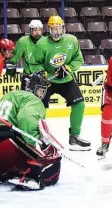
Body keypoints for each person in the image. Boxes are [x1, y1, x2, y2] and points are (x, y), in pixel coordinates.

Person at [30, 15, 91, 151]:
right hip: (47, 82)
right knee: (39, 107)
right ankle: (39, 136)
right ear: (49, 29)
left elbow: (78, 59)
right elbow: (34, 63)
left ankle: (74, 136)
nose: (56, 32)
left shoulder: (71, 40)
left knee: (79, 104)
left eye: (59, 28)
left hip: (66, 80)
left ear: (63, 28)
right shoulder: (42, 43)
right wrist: (44, 74)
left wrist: (68, 68)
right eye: (54, 29)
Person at [6, 19, 44, 89]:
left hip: (43, 77)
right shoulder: (23, 41)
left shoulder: (45, 41)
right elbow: (14, 57)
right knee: (26, 98)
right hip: (28, 77)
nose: (38, 32)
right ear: (30, 30)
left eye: (39, 30)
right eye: (35, 30)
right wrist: (10, 72)